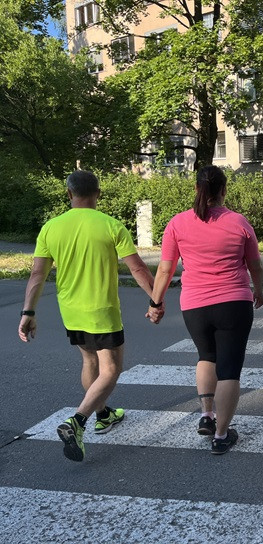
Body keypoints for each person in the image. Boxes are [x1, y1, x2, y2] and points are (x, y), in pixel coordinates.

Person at [18, 170, 156, 462]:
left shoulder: (51, 228)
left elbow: (37, 274)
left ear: (69, 194)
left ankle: (103, 414)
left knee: (89, 360)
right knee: (111, 369)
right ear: (98, 194)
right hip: (102, 311)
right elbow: (138, 269)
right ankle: (77, 421)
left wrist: (28, 312)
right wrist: (156, 298)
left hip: (71, 310)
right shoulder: (111, 225)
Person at [146, 165, 263, 455]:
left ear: (196, 189)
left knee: (205, 356)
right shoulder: (238, 222)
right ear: (224, 190)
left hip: (194, 305)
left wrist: (155, 302)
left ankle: (207, 415)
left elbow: (165, 269)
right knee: (229, 370)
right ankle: (222, 436)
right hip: (234, 303)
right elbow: (255, 265)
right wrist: (258, 290)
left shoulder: (177, 223)